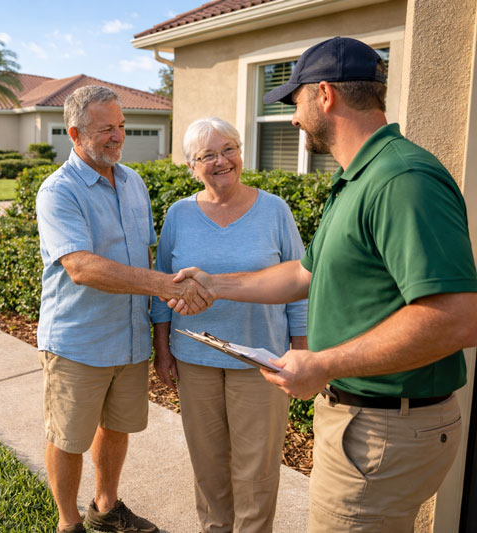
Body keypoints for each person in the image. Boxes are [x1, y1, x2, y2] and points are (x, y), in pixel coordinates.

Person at [170, 37, 477, 531]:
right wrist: (215, 283)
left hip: (383, 427)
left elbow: (458, 319)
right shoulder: (357, 180)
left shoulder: (401, 179)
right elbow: (301, 274)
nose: (293, 118)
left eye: (295, 102)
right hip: (368, 423)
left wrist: (322, 362)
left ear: (325, 95)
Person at [36, 85, 212, 533]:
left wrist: (160, 336)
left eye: (121, 127)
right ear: (74, 133)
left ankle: (106, 507)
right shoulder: (59, 191)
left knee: (117, 427)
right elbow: (80, 266)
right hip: (79, 339)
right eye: (105, 129)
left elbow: (145, 258)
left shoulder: (133, 182)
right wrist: (168, 287)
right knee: (69, 436)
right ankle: (68, 522)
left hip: (130, 337)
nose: (117, 137)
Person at [150, 117, 307, 532]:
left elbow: (300, 286)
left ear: (241, 151)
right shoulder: (179, 215)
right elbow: (163, 287)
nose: (221, 161)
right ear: (190, 166)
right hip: (194, 359)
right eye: (207, 155)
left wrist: (300, 350)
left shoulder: (274, 210)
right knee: (209, 467)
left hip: (262, 361)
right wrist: (162, 349)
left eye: (228, 149)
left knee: (256, 474)